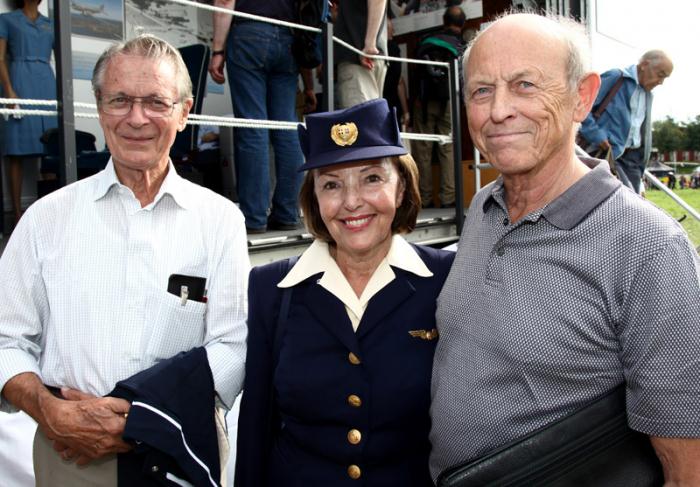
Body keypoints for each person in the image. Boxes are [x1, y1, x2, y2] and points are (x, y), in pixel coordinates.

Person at [429, 13, 700, 484]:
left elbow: (686, 467)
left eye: (525, 85)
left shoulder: (649, 249)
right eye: (481, 90)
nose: (499, 110)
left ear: (582, 97)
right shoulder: (484, 208)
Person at [0, 34, 249, 485]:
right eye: (120, 100)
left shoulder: (221, 221)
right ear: (99, 108)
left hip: (179, 448)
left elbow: (232, 346)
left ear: (184, 112)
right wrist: (49, 410)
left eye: (156, 101)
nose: (137, 119)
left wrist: (144, 419)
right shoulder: (44, 220)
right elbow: (4, 340)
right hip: (70, 453)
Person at [235, 98, 455, 486]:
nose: (351, 202)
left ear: (401, 187)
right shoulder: (271, 288)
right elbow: (256, 425)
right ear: (314, 199)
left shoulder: (446, 279)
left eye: (372, 178)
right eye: (332, 184)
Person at [209, 0, 304, 233]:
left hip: (249, 33)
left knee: (253, 128)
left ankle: (254, 217)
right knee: (287, 129)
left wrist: (218, 49)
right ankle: (287, 213)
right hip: (289, 37)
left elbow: (223, 1)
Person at [578, 49, 673, 194]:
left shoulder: (649, 95)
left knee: (633, 204)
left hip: (633, 160)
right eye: (660, 75)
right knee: (611, 200)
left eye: (665, 78)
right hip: (605, 153)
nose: (660, 82)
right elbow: (581, 105)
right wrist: (597, 136)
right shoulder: (616, 78)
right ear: (644, 64)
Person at [0, 0, 57, 225]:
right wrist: (10, 91)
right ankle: (16, 215)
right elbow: (0, 58)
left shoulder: (50, 24)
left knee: (51, 149)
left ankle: (52, 215)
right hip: (19, 82)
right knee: (16, 151)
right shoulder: (7, 20)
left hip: (46, 83)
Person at [411, 5, 465, 208]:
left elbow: (416, 72)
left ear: (444, 21)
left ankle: (424, 199)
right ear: (462, 24)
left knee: (423, 151)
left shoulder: (427, 41)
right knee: (448, 149)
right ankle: (448, 198)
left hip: (424, 102)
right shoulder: (460, 45)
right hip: (449, 101)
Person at [335, 0, 389, 109]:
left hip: (359, 56)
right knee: (370, 120)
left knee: (360, 121)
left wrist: (369, 43)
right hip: (366, 54)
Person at [382, 15, 410, 130]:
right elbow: (399, 81)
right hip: (391, 105)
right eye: (390, 28)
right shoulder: (393, 48)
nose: (393, 31)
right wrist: (406, 111)